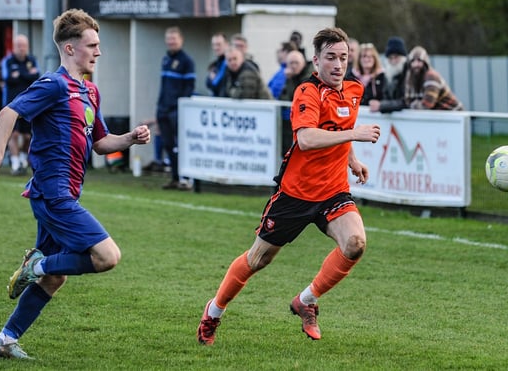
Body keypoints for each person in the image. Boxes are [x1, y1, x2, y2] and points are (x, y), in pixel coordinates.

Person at [0, 9, 151, 360]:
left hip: (65, 192)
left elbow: (100, 142)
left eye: (99, 45)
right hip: (53, 193)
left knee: (56, 277)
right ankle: (34, 265)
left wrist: (130, 138)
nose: (98, 52)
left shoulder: (90, 91)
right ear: (69, 49)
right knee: (107, 256)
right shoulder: (54, 85)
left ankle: (4, 341)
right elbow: (9, 112)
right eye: (92, 45)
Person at [197, 27, 381, 345]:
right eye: (331, 58)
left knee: (355, 244)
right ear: (316, 60)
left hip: (333, 190)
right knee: (258, 260)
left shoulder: (354, 88)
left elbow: (340, 127)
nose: (338, 65)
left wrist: (352, 159)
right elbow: (307, 139)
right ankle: (213, 313)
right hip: (295, 194)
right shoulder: (306, 92)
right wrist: (354, 135)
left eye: (343, 58)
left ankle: (306, 301)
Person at [157, 26, 195, 190]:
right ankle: (174, 177)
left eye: (174, 39)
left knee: (180, 145)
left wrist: (179, 107)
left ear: (181, 40)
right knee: (168, 144)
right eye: (169, 39)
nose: (171, 42)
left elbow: (189, 87)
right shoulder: (166, 60)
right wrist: (159, 107)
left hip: (176, 110)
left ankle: (185, 178)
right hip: (163, 109)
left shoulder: (186, 61)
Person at [1, 34, 40, 175]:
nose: (21, 49)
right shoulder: (8, 61)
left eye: (24, 46)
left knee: (28, 136)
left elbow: (36, 77)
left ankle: (23, 160)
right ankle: (15, 164)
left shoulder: (32, 60)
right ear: (14, 47)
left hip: (29, 105)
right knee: (14, 134)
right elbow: (8, 78)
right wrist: (26, 74)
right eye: (19, 46)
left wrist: (20, 74)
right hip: (12, 104)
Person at [401, 46, 464, 110]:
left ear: (425, 63)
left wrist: (414, 105)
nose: (416, 64)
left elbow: (427, 104)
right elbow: (408, 101)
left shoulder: (431, 76)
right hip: (437, 115)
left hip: (453, 113)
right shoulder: (410, 78)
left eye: (419, 61)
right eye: (413, 61)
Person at [278, 50, 313, 154]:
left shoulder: (309, 76)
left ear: (303, 63)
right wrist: (288, 80)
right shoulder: (289, 77)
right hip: (291, 119)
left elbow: (299, 96)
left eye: (296, 63)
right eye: (291, 63)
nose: (294, 66)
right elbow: (283, 97)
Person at [368, 36, 408, 113]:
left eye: (396, 57)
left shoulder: (408, 75)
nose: (393, 61)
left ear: (403, 58)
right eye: (390, 58)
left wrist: (381, 105)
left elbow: (405, 101)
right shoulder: (387, 75)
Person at [205, 32, 229, 97]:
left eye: (219, 44)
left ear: (226, 45)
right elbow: (208, 84)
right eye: (214, 45)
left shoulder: (230, 63)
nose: (216, 48)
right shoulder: (215, 64)